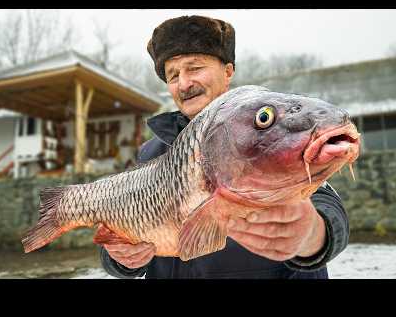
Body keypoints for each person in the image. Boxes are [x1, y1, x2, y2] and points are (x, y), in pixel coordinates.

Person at [99, 15, 349, 279]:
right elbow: (123, 229)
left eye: (194, 68)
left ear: (228, 71)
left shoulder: (269, 129)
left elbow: (326, 209)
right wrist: (121, 259)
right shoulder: (151, 151)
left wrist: (311, 234)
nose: (184, 83)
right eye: (173, 75)